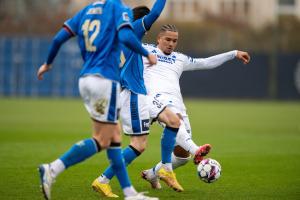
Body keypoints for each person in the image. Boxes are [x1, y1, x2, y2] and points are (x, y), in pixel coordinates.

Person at [36, 1, 158, 200]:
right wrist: (147, 54)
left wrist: (47, 63)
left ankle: (129, 192)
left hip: (86, 80)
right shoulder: (119, 9)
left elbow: (59, 38)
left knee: (113, 137)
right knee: (103, 139)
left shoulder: (85, 11)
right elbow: (127, 36)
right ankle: (52, 169)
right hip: (105, 81)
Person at [91, 0, 187, 197]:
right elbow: (156, 13)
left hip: (133, 94)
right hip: (133, 94)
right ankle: (103, 180)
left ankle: (164, 168)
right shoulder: (133, 31)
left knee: (173, 121)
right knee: (138, 145)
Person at [140, 24, 251, 189]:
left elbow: (206, 63)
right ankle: (196, 149)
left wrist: (233, 53)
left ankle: (151, 174)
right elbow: (126, 40)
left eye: (174, 40)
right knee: (175, 123)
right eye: (167, 39)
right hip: (155, 100)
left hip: (177, 104)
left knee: (181, 156)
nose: (171, 43)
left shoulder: (180, 58)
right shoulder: (145, 50)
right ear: (158, 39)